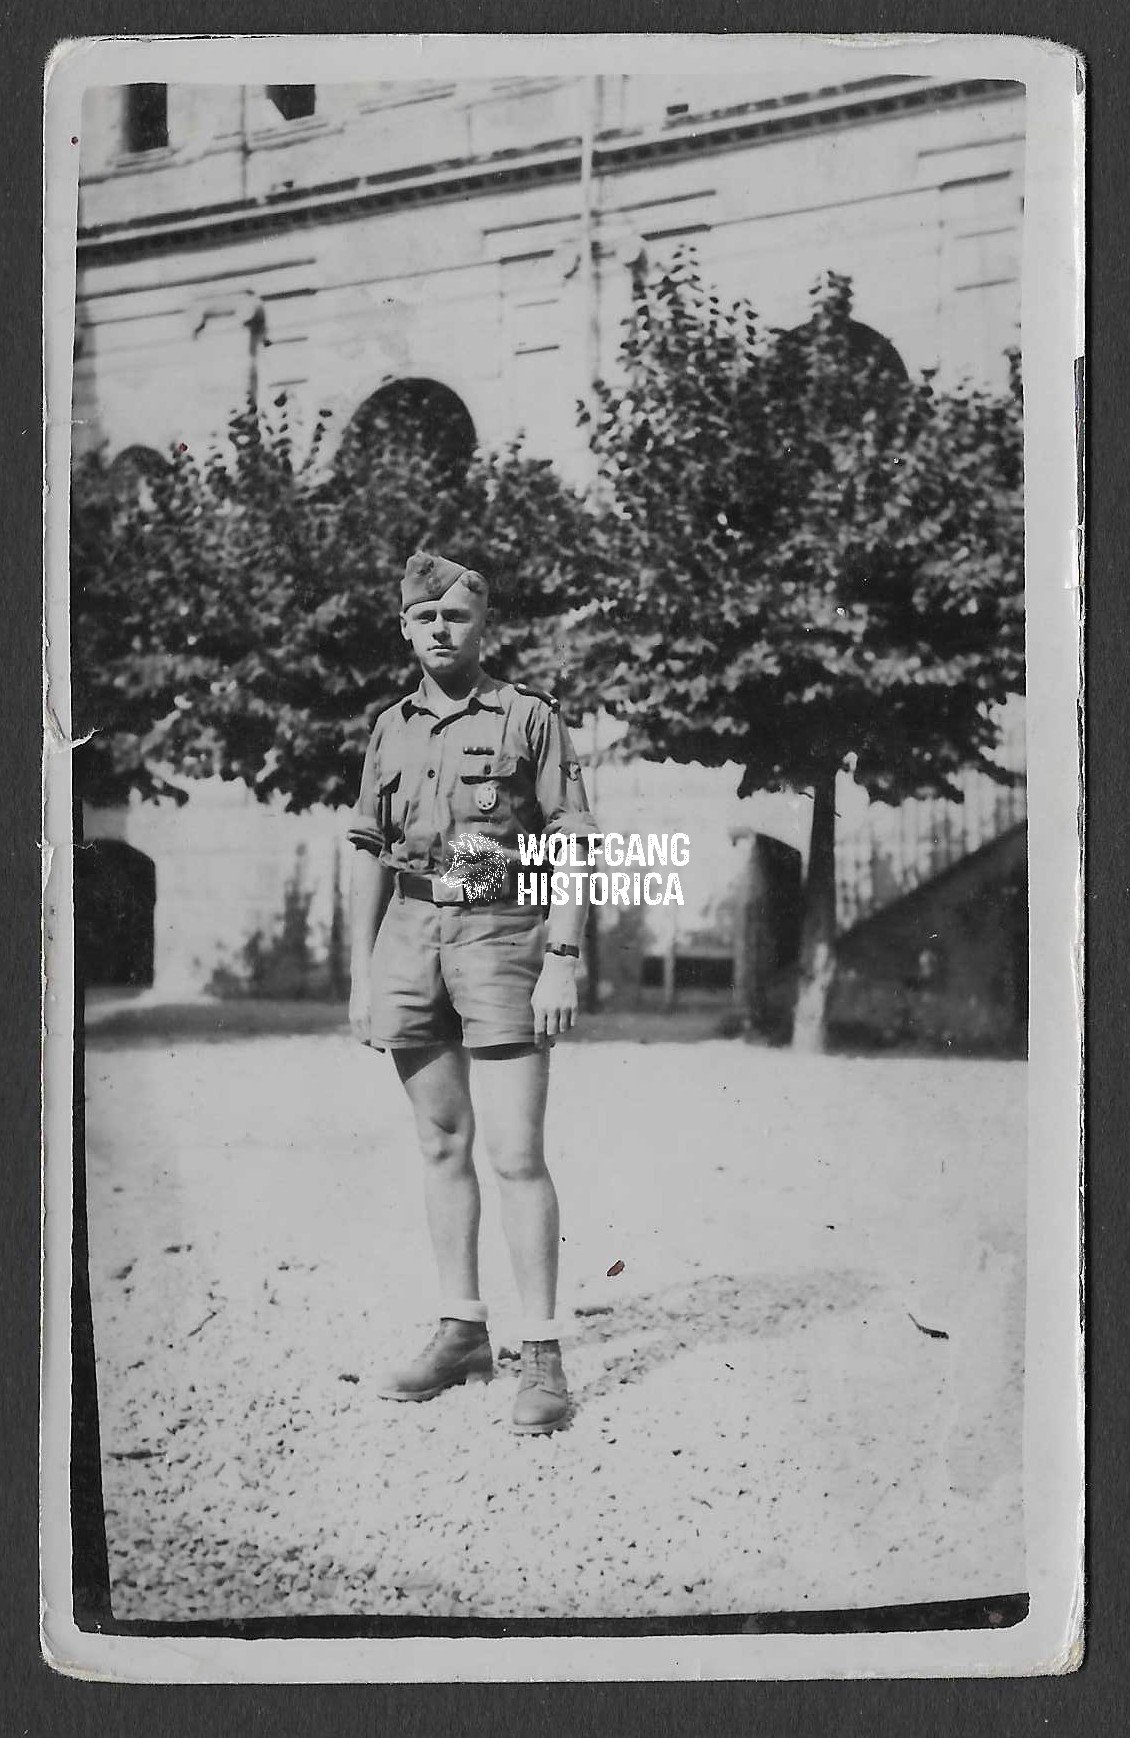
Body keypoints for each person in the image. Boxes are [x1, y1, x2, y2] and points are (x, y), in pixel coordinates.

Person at [346, 550, 598, 1434]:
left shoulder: (528, 717)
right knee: (441, 1141)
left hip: (501, 930)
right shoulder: (390, 726)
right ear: (405, 628)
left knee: (516, 1152)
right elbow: (370, 854)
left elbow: (569, 841)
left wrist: (564, 954)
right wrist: (360, 972)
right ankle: (461, 1329)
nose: (439, 630)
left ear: (481, 625)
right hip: (411, 939)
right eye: (424, 618)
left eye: (455, 616)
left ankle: (542, 1351)